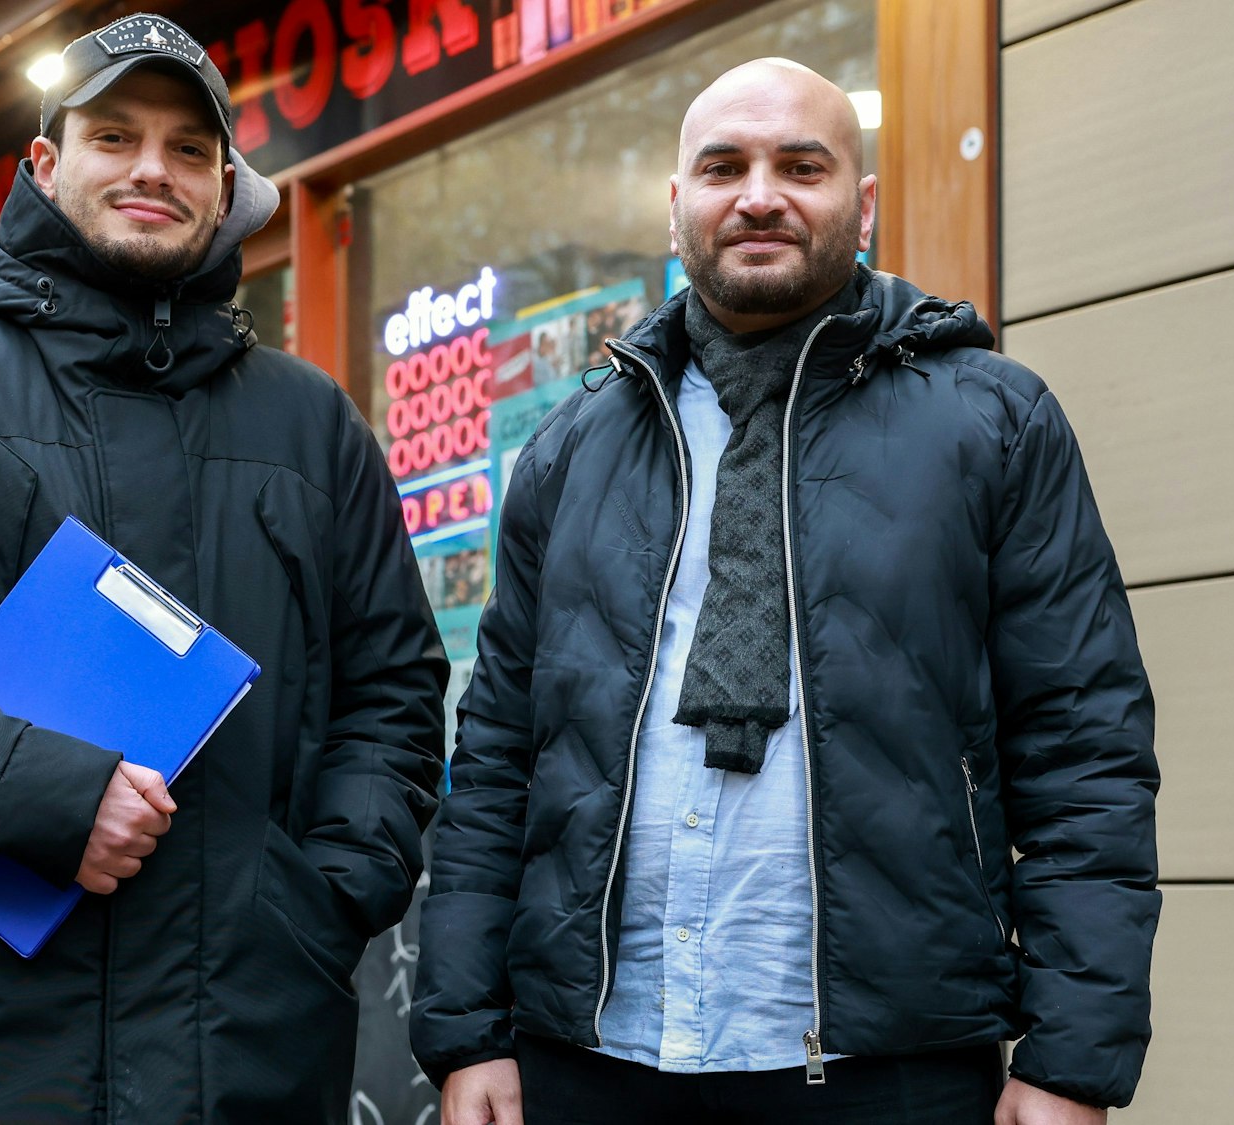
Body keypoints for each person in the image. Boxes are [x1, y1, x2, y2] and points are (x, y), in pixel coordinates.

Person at [0, 14, 446, 1123]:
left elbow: (392, 698)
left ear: (223, 187)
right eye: (114, 136)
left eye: (188, 148)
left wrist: (317, 899)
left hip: (246, 1043)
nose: (152, 168)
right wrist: (46, 793)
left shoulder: (315, 427)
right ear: (46, 166)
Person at [412, 58, 1158, 1125]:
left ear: (859, 204)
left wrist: (1068, 1062)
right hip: (586, 1060)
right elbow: (492, 765)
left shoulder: (992, 423)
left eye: (798, 165)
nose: (757, 193)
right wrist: (465, 1030)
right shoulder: (569, 452)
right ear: (677, 207)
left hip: (887, 1068)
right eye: (723, 166)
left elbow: (1084, 750)